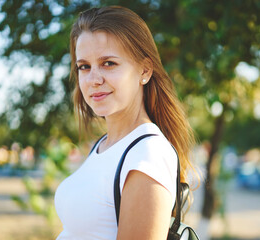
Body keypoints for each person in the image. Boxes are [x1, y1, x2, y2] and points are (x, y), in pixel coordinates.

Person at [54, 6, 195, 240]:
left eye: (108, 63)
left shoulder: (148, 154)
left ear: (145, 70)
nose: (93, 80)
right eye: (84, 66)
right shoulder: (103, 146)